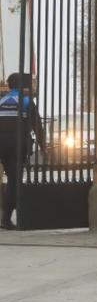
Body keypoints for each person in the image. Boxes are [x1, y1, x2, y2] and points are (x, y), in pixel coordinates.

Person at [0, 73, 46, 230]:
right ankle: (6, 219)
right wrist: (44, 148)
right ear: (23, 85)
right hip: (16, 146)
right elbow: (37, 127)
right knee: (14, 181)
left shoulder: (1, 99)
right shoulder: (26, 101)